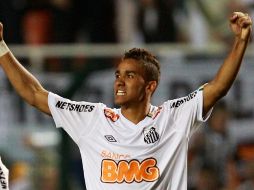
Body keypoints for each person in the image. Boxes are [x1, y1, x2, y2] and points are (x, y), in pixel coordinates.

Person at [0, 12, 252, 190]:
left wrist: (240, 42)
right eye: (117, 75)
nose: (119, 81)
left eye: (129, 76)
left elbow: (218, 87)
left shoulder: (173, 118)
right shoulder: (93, 119)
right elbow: (34, 93)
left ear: (149, 86)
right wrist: (2, 47)